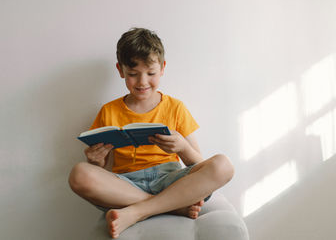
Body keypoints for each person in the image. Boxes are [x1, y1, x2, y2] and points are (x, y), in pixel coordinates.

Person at [69, 28, 234, 238]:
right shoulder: (108, 111)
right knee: (79, 173)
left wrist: (182, 147)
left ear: (162, 68)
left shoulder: (175, 107)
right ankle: (171, 206)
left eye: (151, 73)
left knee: (223, 165)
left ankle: (138, 211)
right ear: (120, 70)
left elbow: (199, 164)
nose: (142, 82)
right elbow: (104, 170)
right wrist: (96, 162)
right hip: (128, 185)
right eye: (133, 74)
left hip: (172, 179)